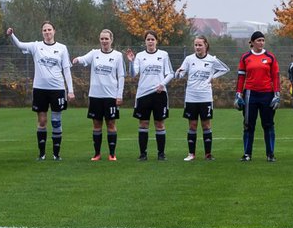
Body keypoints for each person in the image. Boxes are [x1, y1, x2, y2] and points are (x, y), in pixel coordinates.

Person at [7, 21, 73, 160]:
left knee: (56, 121)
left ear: (54, 31)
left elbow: (66, 69)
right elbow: (19, 45)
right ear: (42, 32)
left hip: (57, 89)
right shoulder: (36, 46)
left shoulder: (62, 48)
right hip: (40, 89)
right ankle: (42, 154)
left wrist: (70, 90)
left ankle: (56, 154)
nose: (47, 32)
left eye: (49, 29)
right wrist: (12, 35)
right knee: (42, 121)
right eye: (44, 30)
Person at [73, 29, 125, 161]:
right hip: (95, 95)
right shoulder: (94, 53)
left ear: (111, 40)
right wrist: (77, 60)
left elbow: (121, 76)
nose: (104, 41)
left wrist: (119, 95)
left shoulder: (118, 56)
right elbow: (84, 59)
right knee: (96, 124)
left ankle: (112, 154)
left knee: (111, 124)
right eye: (102, 39)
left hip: (111, 96)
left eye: (106, 39)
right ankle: (97, 154)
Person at [175, 35, 229, 160]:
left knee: (206, 125)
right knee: (192, 125)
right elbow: (180, 75)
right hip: (191, 97)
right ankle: (191, 154)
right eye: (196, 45)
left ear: (206, 45)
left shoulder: (212, 59)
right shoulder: (189, 59)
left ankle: (208, 154)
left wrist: (212, 77)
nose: (197, 47)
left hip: (205, 97)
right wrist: (178, 73)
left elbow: (225, 69)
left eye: (200, 45)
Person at [126, 31, 174, 160]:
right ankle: (143, 154)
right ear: (145, 41)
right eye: (148, 39)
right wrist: (131, 62)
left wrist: (162, 84)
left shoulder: (163, 55)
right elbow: (133, 74)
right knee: (143, 124)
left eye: (152, 39)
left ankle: (161, 154)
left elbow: (170, 73)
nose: (150, 41)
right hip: (143, 95)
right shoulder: (140, 56)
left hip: (159, 94)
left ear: (156, 41)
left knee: (159, 124)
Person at [236, 31, 280, 161]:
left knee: (268, 125)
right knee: (248, 124)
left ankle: (270, 154)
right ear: (252, 42)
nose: (261, 43)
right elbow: (241, 77)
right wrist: (238, 94)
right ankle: (247, 154)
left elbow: (275, 77)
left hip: (267, 94)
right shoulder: (245, 57)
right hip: (250, 94)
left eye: (263, 40)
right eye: (259, 40)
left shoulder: (270, 57)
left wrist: (277, 94)